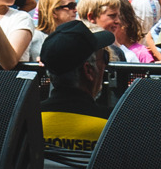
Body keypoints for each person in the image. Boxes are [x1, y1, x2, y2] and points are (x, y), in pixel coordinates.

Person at [37, 19, 119, 168]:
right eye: (104, 59)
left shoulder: (23, 121)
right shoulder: (115, 124)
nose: (105, 66)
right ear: (89, 70)